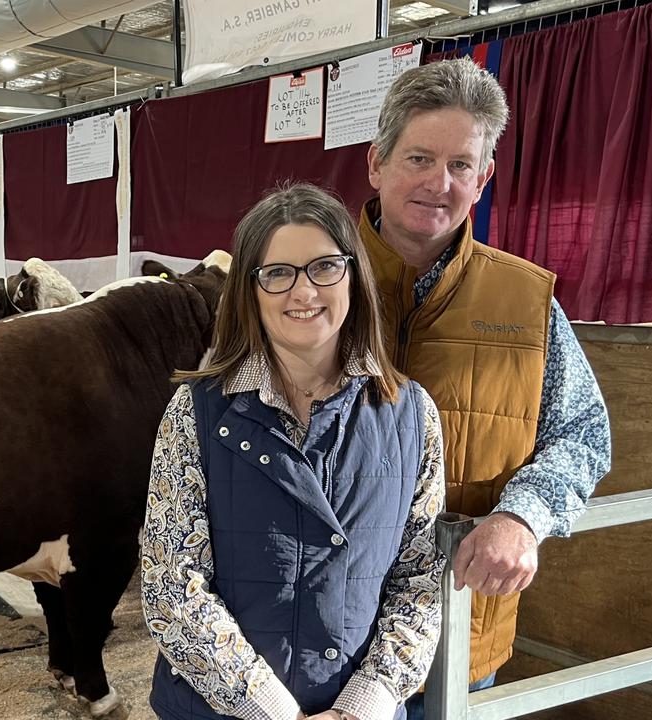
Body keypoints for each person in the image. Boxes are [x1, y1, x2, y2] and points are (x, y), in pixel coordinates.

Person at [358, 59, 612, 718]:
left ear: (484, 179)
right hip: (317, 639)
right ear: (376, 163)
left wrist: (523, 515)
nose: (438, 184)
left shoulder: (526, 301)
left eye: (461, 165)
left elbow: (584, 437)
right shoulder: (299, 283)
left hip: (455, 640)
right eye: (418, 157)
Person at [143, 183, 446, 720]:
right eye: (278, 273)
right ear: (250, 290)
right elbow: (171, 586)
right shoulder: (196, 412)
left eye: (324, 266)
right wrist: (271, 710)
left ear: (353, 275)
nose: (303, 292)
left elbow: (420, 581)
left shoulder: (411, 415)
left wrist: (362, 705)